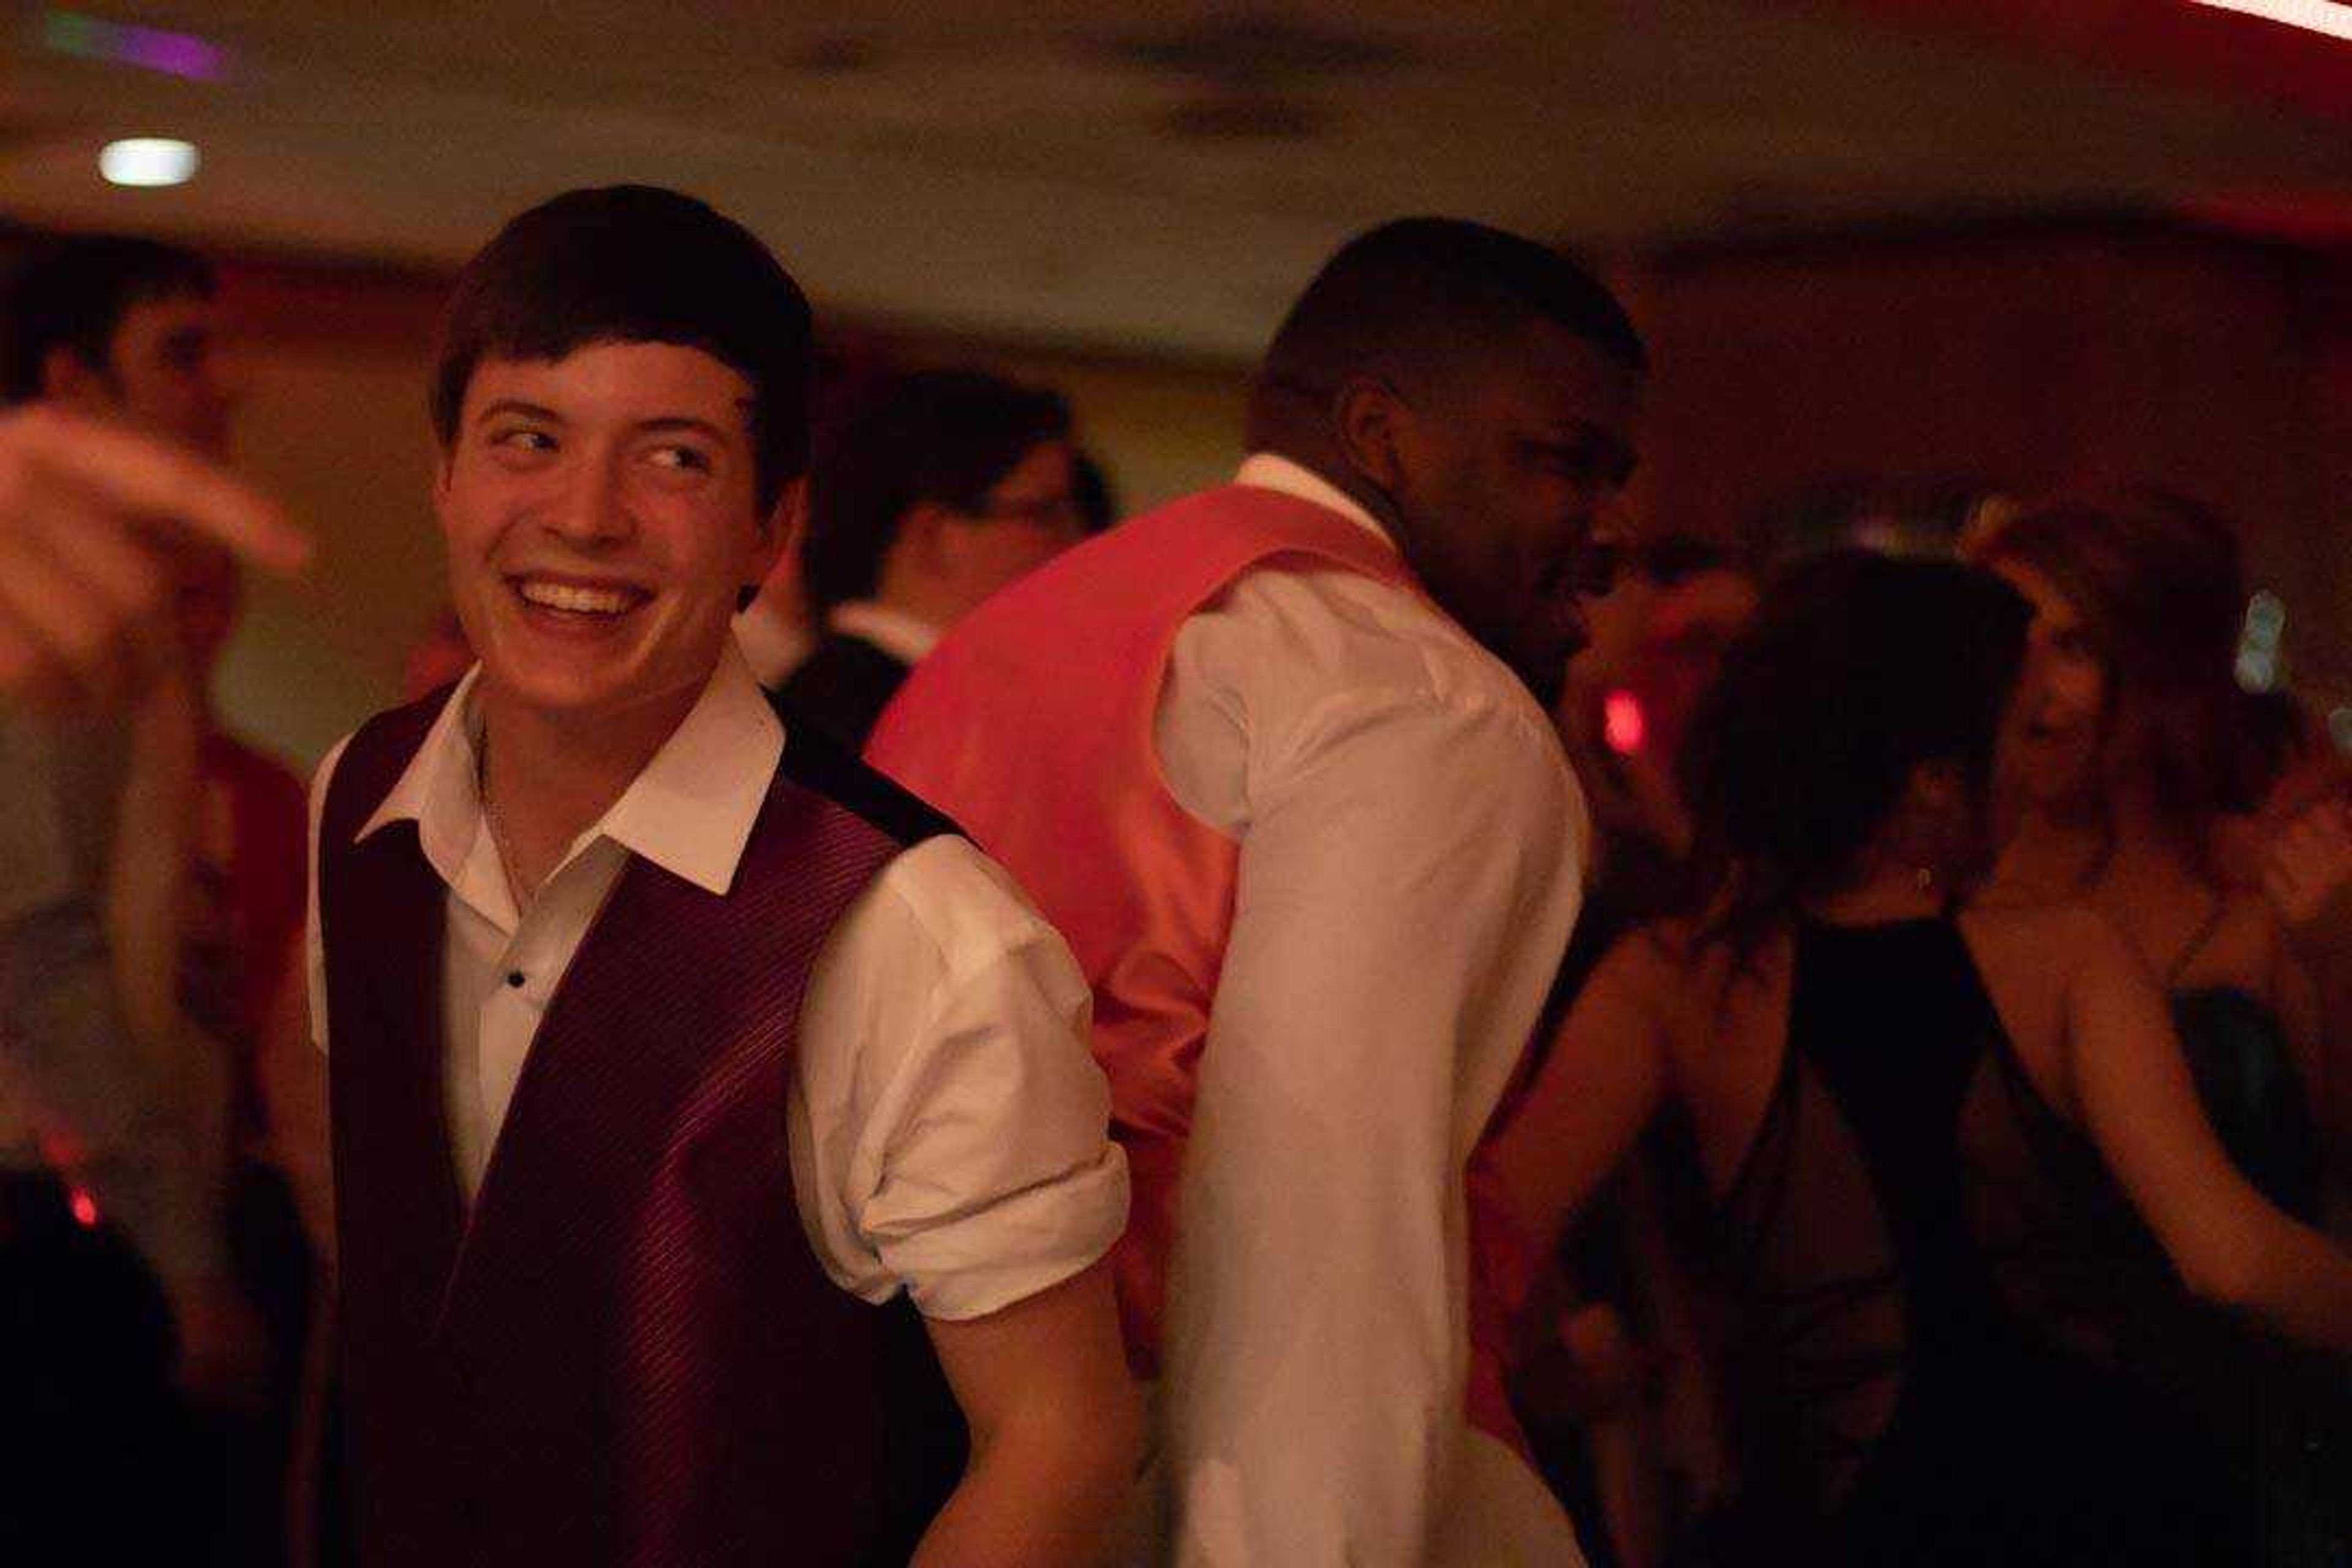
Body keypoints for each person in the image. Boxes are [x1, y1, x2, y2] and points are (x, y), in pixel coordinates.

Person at [303, 186, 1139, 1563]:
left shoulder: (915, 927)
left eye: (673, 459)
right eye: (529, 439)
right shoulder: (360, 798)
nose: (584, 516)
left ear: (771, 529)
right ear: (446, 475)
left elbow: (1063, 1435)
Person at [869, 217, 1642, 1564]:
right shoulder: (1412, 696)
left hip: (926, 1457)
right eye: (1564, 462)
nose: (1601, 535)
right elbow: (1323, 1240)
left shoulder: (1010, 634)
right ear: (1381, 433)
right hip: (1194, 1475)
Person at [1493, 551, 2352, 1566]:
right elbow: (2232, 1260)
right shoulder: (2061, 954)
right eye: (2017, 731)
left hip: (1832, 1523)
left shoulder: (1673, 981)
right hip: (2092, 1509)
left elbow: (1487, 1233)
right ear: (1937, 785)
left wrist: (1549, 1372)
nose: (2030, 770)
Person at [2, 235, 308, 1559]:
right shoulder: (45, 622)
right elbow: (41, 946)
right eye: (180, 353)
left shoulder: (121, 616)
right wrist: (188, 1267)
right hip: (60, 1225)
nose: (222, 385)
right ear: (72, 387)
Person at [782, 368, 1080, 750]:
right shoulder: (910, 720)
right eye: (1043, 514)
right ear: (938, 535)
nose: (1075, 542)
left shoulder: (825, 694)